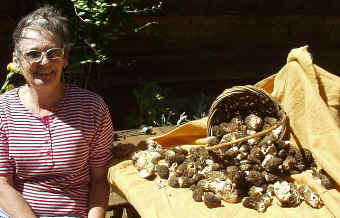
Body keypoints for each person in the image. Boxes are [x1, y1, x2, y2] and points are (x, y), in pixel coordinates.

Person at [0, 5, 114, 218]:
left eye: (53, 53)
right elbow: (2, 184)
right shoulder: (3, 110)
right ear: (16, 60)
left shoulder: (92, 108)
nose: (45, 62)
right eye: (33, 54)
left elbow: (100, 179)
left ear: (65, 58)